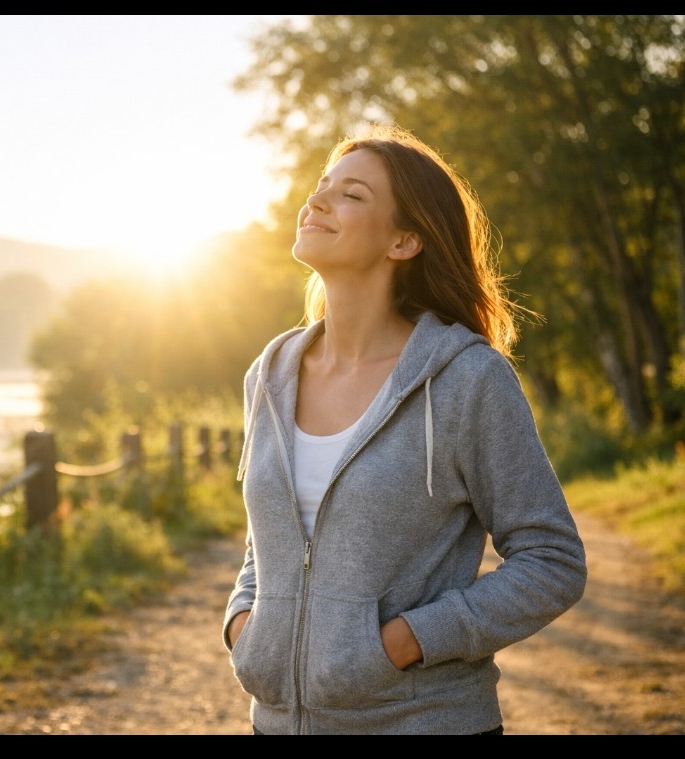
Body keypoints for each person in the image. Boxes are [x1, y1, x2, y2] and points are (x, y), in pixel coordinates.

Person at [222, 123, 587, 735]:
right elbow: (275, 539)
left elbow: (552, 561)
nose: (317, 201)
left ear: (405, 241)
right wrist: (244, 624)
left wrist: (404, 642)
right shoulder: (270, 374)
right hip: (278, 724)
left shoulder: (467, 379)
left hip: (423, 721)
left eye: (352, 195)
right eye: (323, 186)